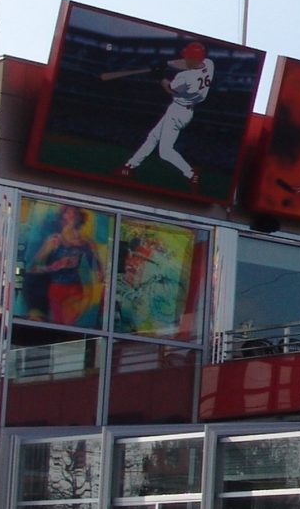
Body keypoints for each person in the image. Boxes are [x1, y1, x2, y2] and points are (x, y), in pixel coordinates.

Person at [121, 41, 214, 189]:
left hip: (178, 111)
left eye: (189, 56)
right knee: (153, 137)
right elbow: (186, 63)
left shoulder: (185, 77)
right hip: (185, 111)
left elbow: (170, 89)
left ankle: (191, 173)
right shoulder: (209, 64)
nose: (185, 58)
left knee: (165, 151)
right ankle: (129, 167)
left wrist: (160, 76)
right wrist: (166, 63)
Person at [32, 205, 103, 326]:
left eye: (73, 213)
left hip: (75, 290)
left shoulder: (85, 242)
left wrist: (96, 261)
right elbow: (33, 268)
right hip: (55, 289)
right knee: (58, 325)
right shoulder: (54, 241)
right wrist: (55, 266)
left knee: (67, 325)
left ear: (79, 218)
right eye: (67, 213)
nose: (70, 217)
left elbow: (99, 273)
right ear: (62, 217)